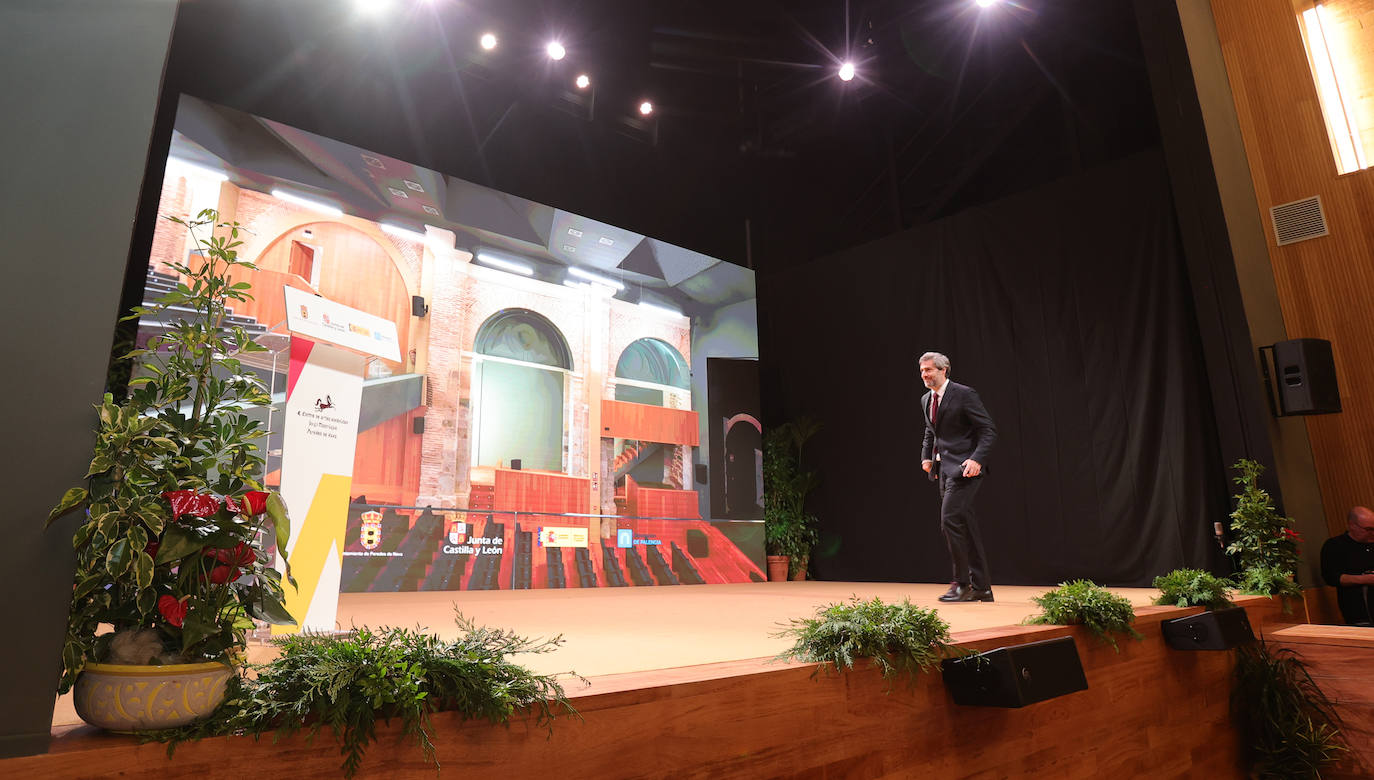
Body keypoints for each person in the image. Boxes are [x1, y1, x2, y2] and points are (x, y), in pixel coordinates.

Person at [919, 351, 998, 603]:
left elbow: (987, 430)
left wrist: (976, 459)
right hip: (943, 470)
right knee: (965, 525)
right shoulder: (926, 399)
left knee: (950, 520)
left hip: (965, 468)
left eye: (929, 370)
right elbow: (931, 431)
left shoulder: (964, 394)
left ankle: (962, 584)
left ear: (944, 370)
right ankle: (982, 588)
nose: (924, 374)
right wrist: (926, 457)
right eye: (922, 371)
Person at [1320, 506, 1374, 626]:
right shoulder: (1335, 546)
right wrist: (1365, 579)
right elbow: (1331, 577)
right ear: (1352, 525)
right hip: (1359, 612)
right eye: (1368, 529)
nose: (1372, 533)